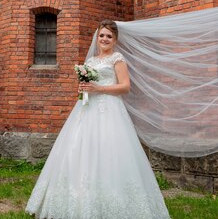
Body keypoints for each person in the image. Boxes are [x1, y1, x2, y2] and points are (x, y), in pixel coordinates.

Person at [25, 20, 170, 219]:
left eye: (109, 36)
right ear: (97, 37)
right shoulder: (91, 61)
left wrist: (99, 89)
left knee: (110, 152)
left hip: (110, 110)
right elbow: (88, 85)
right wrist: (84, 89)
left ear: (115, 40)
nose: (104, 39)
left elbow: (125, 87)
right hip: (87, 109)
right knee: (80, 149)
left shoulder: (117, 59)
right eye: (101, 35)